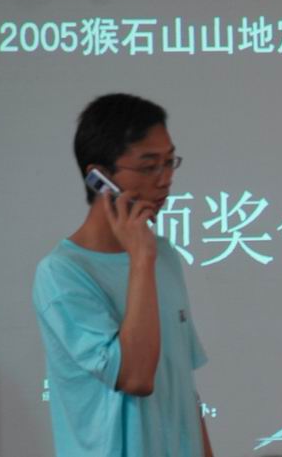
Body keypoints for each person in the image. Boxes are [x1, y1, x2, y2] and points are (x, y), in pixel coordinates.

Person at [32, 93, 215, 457]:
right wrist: (140, 259)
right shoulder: (63, 273)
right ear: (99, 177)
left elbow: (182, 386)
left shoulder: (163, 255)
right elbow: (135, 377)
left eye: (169, 162)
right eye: (149, 167)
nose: (165, 180)